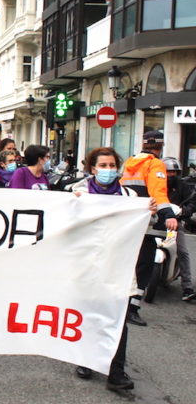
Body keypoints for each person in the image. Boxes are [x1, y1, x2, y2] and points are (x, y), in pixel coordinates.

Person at [70, 147, 151, 391]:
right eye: (102, 166)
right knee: (88, 314)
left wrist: (149, 212)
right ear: (92, 169)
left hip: (119, 266)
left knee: (118, 319)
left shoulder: (130, 196)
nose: (108, 170)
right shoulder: (76, 193)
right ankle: (86, 359)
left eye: (111, 165)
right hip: (88, 266)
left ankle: (116, 371)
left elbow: (140, 227)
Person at [120, 130, 178, 326]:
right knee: (144, 266)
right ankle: (133, 308)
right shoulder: (155, 164)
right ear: (160, 146)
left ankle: (119, 303)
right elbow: (158, 192)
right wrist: (168, 214)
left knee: (126, 263)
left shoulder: (129, 163)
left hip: (128, 221)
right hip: (148, 222)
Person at [162, 157, 196, 301]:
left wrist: (184, 212)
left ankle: (187, 288)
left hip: (176, 223)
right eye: (168, 172)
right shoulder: (155, 184)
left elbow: (192, 202)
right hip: (154, 222)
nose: (171, 175)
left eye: (174, 172)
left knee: (183, 251)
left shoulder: (183, 186)